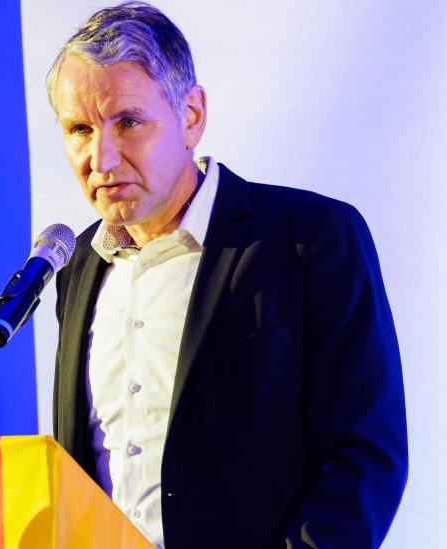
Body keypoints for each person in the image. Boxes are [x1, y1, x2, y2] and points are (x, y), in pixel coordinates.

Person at [47, 3, 407, 548]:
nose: (102, 157)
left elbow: (365, 455)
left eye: (128, 122)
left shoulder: (310, 238)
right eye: (79, 129)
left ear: (191, 116)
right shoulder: (77, 268)